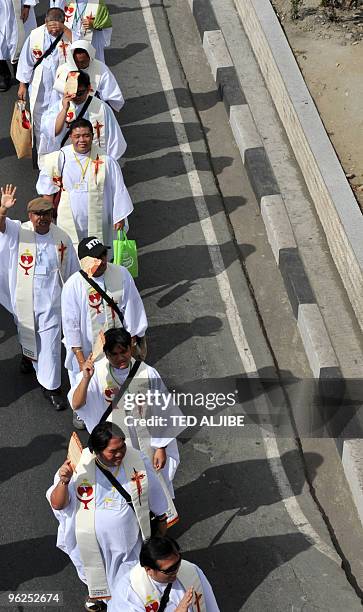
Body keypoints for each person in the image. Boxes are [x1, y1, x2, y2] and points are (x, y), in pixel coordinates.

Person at [47, 422, 168, 611]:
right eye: (113, 451)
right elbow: (58, 504)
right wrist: (64, 481)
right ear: (96, 451)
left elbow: (157, 499)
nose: (120, 454)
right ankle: (97, 594)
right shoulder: (78, 466)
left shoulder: (137, 461)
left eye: (122, 447)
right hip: (88, 544)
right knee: (95, 574)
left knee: (126, 583)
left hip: (126, 545)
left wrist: (160, 534)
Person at [69, 327, 182, 517]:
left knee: (153, 484)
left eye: (125, 352)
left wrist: (161, 447)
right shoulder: (96, 375)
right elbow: (77, 403)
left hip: (146, 444)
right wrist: (86, 378)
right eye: (114, 354)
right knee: (124, 489)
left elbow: (164, 410)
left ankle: (158, 520)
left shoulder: (147, 373)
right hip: (116, 447)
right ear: (106, 354)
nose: (121, 358)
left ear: (131, 348)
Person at [0, 185, 79, 410]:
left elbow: (72, 273)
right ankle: (28, 356)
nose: (43, 219)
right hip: (23, 298)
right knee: (27, 332)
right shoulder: (20, 231)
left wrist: (75, 300)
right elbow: (0, 226)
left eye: (47, 214)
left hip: (51, 301)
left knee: (51, 343)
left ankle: (52, 387)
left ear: (52, 215)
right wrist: (3, 209)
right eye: (38, 214)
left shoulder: (61, 238)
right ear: (30, 216)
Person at [61, 235, 147, 394]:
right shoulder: (73, 286)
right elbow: (70, 325)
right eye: (95, 258)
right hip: (89, 352)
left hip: (118, 351)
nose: (101, 261)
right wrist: (81, 361)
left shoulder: (121, 274)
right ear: (84, 262)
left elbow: (133, 310)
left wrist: (132, 346)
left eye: (103, 255)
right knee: (91, 392)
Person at [36, 118, 133, 248]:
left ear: (92, 137)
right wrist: (48, 217)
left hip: (100, 220)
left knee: (97, 257)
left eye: (86, 135)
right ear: (71, 137)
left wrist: (119, 217)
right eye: (77, 136)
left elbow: (118, 189)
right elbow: (48, 190)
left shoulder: (106, 161)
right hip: (69, 220)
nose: (82, 140)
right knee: (71, 257)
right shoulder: (59, 158)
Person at [108, 536, 220, 611]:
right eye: (169, 569)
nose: (177, 570)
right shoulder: (129, 595)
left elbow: (211, 607)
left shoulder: (191, 571)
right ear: (149, 570)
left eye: (178, 562)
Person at [16, 7, 73, 151]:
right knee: (40, 119)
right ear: (45, 22)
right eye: (50, 27)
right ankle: (43, 156)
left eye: (57, 27)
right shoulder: (35, 36)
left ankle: (62, 152)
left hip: (61, 87)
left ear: (63, 23)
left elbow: (82, 49)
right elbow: (26, 61)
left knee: (63, 118)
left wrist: (65, 30)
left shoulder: (69, 35)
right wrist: (23, 84)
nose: (54, 31)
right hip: (40, 87)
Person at [38, 70, 126, 160]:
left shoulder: (101, 108)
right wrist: (64, 110)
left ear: (88, 89)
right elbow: (53, 132)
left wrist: (107, 163)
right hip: (67, 160)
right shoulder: (58, 107)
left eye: (79, 93)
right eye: (72, 93)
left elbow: (114, 139)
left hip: (93, 160)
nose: (76, 97)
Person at [53, 39, 124, 112]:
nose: (79, 65)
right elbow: (56, 96)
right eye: (77, 62)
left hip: (94, 110)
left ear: (90, 58)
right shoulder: (63, 69)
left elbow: (111, 94)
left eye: (83, 62)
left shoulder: (101, 69)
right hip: (69, 109)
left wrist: (105, 114)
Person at [0, 0, 38, 92]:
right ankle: (3, 73)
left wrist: (27, 5)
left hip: (16, 7)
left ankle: (21, 71)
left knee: (21, 40)